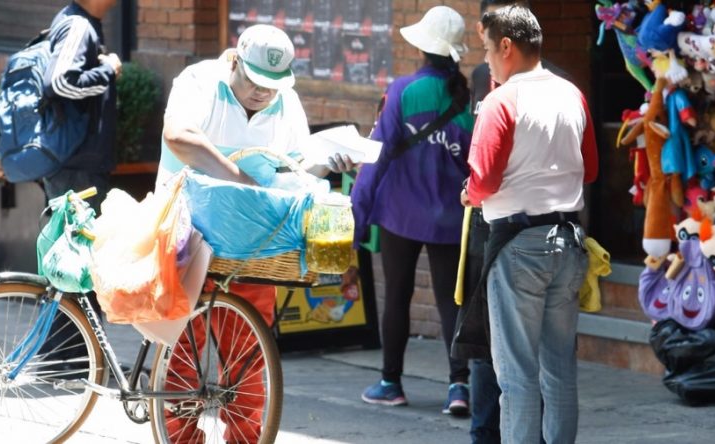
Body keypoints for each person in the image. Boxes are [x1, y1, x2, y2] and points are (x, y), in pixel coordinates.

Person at [157, 24, 354, 442]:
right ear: (235, 61)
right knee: (179, 352)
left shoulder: (288, 104)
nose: (264, 93)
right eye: (256, 82)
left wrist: (327, 164)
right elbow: (177, 135)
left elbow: (294, 172)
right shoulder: (199, 82)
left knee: (248, 355)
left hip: (252, 245)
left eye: (274, 86)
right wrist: (238, 176)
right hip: (186, 238)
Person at [465, 5, 598, 443]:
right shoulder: (572, 93)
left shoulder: (501, 100)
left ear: (506, 45)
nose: (485, 60)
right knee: (558, 369)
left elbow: (482, 179)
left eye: (487, 49)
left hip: (518, 245)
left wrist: (469, 194)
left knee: (516, 375)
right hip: (569, 242)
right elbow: (591, 169)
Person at [351, 6, 474, 416]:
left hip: (399, 214)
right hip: (451, 218)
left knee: (397, 298)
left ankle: (390, 383)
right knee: (451, 302)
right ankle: (459, 387)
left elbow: (376, 158)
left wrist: (358, 213)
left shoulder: (401, 91)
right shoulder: (468, 99)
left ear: (422, 48)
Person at [37, 0, 121, 373]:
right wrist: (107, 70)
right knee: (74, 263)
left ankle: (70, 357)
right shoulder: (78, 27)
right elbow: (59, 82)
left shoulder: (81, 23)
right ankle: (66, 359)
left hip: (76, 164)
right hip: (76, 166)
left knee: (72, 262)